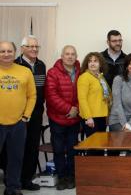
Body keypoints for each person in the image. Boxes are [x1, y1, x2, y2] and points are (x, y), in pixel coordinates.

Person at [0, 41, 36, 195]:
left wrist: (26, 116)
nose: (6, 54)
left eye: (9, 51)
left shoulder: (25, 71)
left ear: (15, 53)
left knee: (16, 158)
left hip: (18, 123)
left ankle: (13, 187)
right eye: (2, 51)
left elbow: (32, 96)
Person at [45, 45, 80, 190]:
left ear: (76, 56)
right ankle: (62, 177)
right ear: (62, 55)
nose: (70, 56)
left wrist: (76, 109)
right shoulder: (52, 72)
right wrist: (68, 109)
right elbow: (51, 95)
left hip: (74, 119)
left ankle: (72, 177)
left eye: (73, 54)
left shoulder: (81, 72)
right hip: (58, 118)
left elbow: (85, 94)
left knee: (73, 149)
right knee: (58, 150)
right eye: (67, 54)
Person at [14, 36, 46, 190]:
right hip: (18, 114)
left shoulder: (41, 65)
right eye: (30, 46)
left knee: (32, 146)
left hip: (37, 113)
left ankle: (27, 179)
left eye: (36, 46)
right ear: (22, 48)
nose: (34, 49)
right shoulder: (15, 65)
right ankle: (15, 180)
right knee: (17, 147)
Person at [78, 52, 111, 138]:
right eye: (90, 61)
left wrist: (107, 115)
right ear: (87, 64)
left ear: (100, 64)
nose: (92, 63)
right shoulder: (84, 77)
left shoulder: (101, 77)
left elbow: (107, 96)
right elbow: (82, 99)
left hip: (101, 117)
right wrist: (88, 118)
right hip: (91, 118)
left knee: (100, 146)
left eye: (95, 61)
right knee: (93, 148)